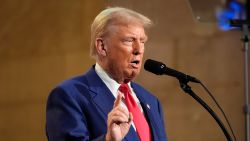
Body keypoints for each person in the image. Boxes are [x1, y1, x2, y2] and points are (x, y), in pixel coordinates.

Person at [46, 7, 168, 141]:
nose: (138, 49)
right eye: (129, 40)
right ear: (102, 47)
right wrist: (108, 139)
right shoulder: (69, 95)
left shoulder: (151, 101)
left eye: (142, 41)